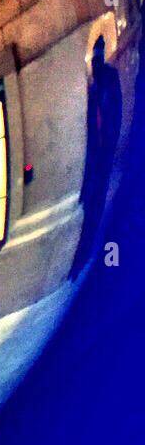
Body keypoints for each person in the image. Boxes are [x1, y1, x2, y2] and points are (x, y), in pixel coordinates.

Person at [71, 36, 123, 279]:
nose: (95, 62)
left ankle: (91, 252)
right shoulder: (93, 87)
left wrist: (109, 143)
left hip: (103, 150)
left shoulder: (109, 79)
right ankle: (83, 255)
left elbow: (115, 110)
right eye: (94, 58)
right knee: (91, 199)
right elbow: (90, 121)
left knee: (98, 197)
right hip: (95, 152)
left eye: (97, 56)